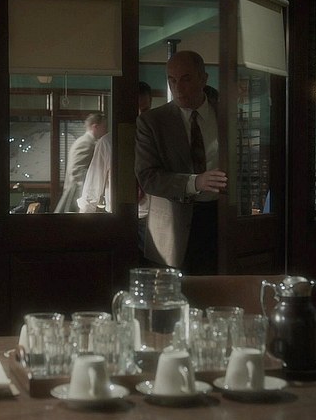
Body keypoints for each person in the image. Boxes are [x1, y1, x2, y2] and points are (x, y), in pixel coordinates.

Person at [135, 51, 227, 275]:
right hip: (172, 228)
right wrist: (195, 182)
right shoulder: (152, 122)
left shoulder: (226, 116)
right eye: (172, 80)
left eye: (186, 79)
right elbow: (148, 177)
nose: (178, 87)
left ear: (203, 79)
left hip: (221, 218)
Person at [78, 82, 153, 214]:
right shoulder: (108, 143)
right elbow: (92, 190)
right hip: (120, 217)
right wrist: (83, 222)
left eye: (145, 110)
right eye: (135, 111)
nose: (140, 116)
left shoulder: (157, 140)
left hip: (153, 216)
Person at [54, 112, 108, 213]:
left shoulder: (89, 142)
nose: (106, 130)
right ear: (95, 127)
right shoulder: (85, 143)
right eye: (104, 127)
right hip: (79, 194)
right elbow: (76, 171)